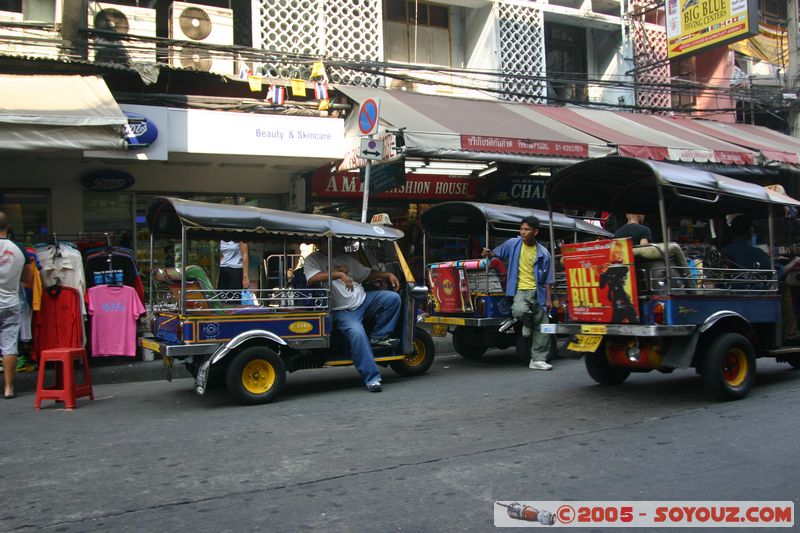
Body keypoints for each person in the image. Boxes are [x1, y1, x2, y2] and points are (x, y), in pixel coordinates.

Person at [304, 240, 402, 392]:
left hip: (363, 300)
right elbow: (312, 278)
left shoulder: (346, 258)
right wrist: (339, 275)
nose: (338, 247)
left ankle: (379, 336)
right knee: (357, 334)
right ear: (322, 244)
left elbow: (367, 274)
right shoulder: (313, 259)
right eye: (334, 244)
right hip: (342, 311)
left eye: (339, 244)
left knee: (392, 299)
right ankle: (372, 378)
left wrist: (388, 274)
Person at [482, 216, 555, 370]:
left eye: (527, 229)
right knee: (519, 311)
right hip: (521, 290)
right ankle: (527, 323)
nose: (523, 232)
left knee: (543, 327)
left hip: (539, 292)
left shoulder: (544, 253)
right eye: (521, 228)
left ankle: (538, 360)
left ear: (535, 232)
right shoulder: (513, 244)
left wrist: (549, 299)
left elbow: (549, 279)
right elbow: (496, 254)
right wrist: (488, 253)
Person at [723, 214, 800, 343]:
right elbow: (775, 274)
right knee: (783, 286)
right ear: (750, 230)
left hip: (732, 291)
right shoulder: (755, 253)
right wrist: (794, 263)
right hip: (752, 292)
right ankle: (790, 333)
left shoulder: (725, 250)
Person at [0, 211, 31, 399]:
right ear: (8, 227)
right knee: (9, 346)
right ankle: (9, 388)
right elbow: (27, 279)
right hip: (11, 302)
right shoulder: (20, 249)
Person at [597, 240, 637, 323]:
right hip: (619, 303)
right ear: (612, 254)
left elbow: (621, 273)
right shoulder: (610, 269)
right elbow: (601, 286)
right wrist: (603, 273)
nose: (619, 255)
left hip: (624, 302)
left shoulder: (623, 267)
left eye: (621, 252)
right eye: (616, 252)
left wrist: (606, 272)